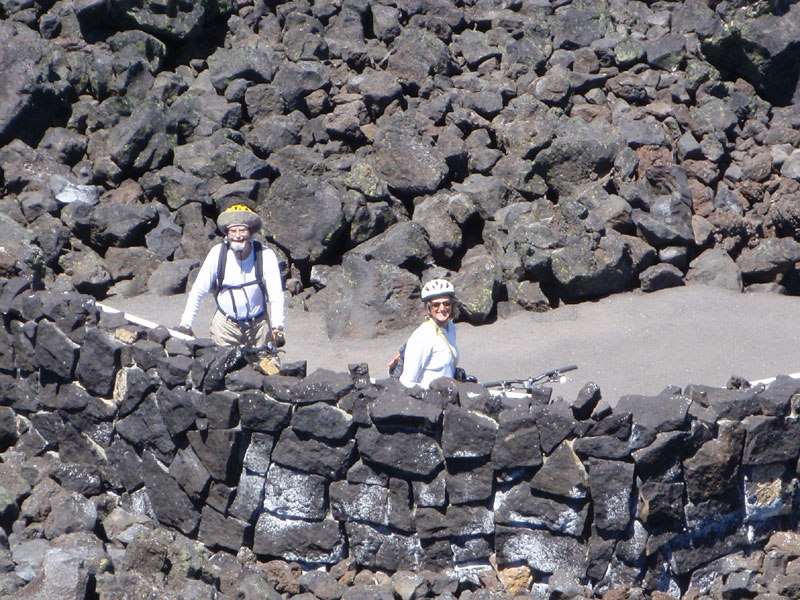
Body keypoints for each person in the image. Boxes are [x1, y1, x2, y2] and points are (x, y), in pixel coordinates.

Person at [176, 202, 285, 360]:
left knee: (266, 370)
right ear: (227, 233)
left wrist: (277, 327)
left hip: (259, 327)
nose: (238, 235)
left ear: (251, 232)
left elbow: (276, 295)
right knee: (222, 370)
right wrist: (185, 324)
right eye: (233, 231)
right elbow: (198, 291)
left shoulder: (265, 255)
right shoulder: (217, 254)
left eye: (242, 230)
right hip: (225, 327)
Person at [397, 279, 459, 389]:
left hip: (448, 396)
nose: (442, 308)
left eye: (446, 303)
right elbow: (407, 382)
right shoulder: (422, 336)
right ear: (429, 308)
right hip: (430, 399)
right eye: (436, 305)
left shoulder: (451, 328)